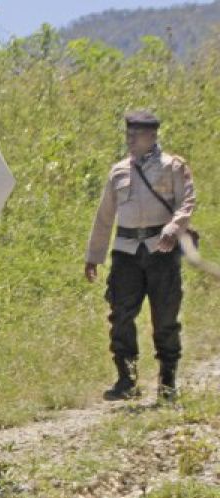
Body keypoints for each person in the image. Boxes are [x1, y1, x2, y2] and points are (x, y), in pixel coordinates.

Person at [85, 110, 196, 402]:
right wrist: (93, 255)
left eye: (136, 135)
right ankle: (127, 378)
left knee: (165, 317)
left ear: (153, 136)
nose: (130, 140)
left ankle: (168, 379)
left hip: (161, 251)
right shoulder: (119, 171)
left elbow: (187, 202)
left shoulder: (173, 167)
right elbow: (104, 216)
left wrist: (174, 228)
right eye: (128, 134)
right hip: (126, 253)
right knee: (120, 315)